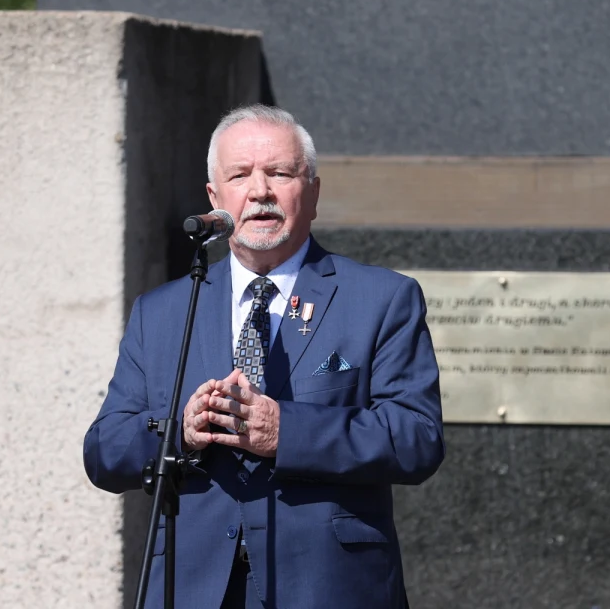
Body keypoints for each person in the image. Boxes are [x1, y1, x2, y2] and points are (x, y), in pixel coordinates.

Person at [83, 104, 445, 608]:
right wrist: (180, 431)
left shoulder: (382, 299)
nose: (260, 192)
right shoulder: (164, 311)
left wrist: (286, 431)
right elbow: (104, 451)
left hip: (328, 586)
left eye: (279, 173)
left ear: (313, 192)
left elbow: (416, 439)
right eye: (240, 175)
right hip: (192, 589)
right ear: (216, 197)